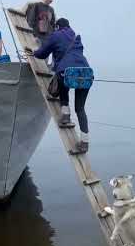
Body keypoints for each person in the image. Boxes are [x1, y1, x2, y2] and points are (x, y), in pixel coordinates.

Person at [26, 18, 92, 153]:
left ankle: (66, 115)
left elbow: (42, 53)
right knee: (80, 109)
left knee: (62, 80)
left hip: (67, 72)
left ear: (57, 26)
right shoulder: (75, 37)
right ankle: (85, 142)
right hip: (86, 73)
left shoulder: (56, 35)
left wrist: (33, 52)